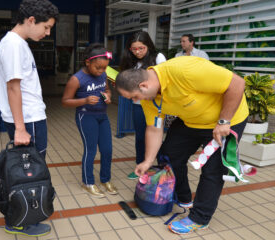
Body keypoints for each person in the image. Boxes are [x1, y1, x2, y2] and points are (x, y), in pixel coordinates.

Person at [115, 56, 248, 234]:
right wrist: (147, 161)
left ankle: (199, 218)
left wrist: (224, 120)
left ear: (143, 86)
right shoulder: (149, 99)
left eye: (134, 97)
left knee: (213, 170)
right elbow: (154, 129)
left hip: (225, 120)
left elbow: (237, 84)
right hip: (191, 120)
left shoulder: (184, 71)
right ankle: (185, 198)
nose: (134, 101)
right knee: (169, 156)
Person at [0, 0, 58, 236]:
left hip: (32, 117)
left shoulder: (18, 43)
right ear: (31, 20)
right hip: (27, 120)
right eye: (46, 27)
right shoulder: (13, 45)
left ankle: (24, 214)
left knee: (30, 168)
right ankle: (20, 220)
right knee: (29, 170)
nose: (47, 32)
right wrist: (21, 129)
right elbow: (13, 88)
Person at [62, 43, 117, 198]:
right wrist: (84, 101)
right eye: (98, 67)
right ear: (88, 62)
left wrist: (108, 96)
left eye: (104, 68)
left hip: (102, 116)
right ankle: (88, 182)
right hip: (86, 116)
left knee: (107, 150)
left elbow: (107, 89)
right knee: (91, 150)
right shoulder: (76, 79)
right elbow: (65, 101)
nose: (101, 71)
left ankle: (105, 180)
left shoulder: (103, 74)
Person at [119, 31, 166, 180]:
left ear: (148, 46)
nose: (138, 52)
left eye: (141, 48)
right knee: (140, 137)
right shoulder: (131, 61)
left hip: (156, 105)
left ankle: (161, 167)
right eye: (134, 49)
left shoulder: (158, 57)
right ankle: (141, 166)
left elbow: (165, 80)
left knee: (155, 135)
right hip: (138, 105)